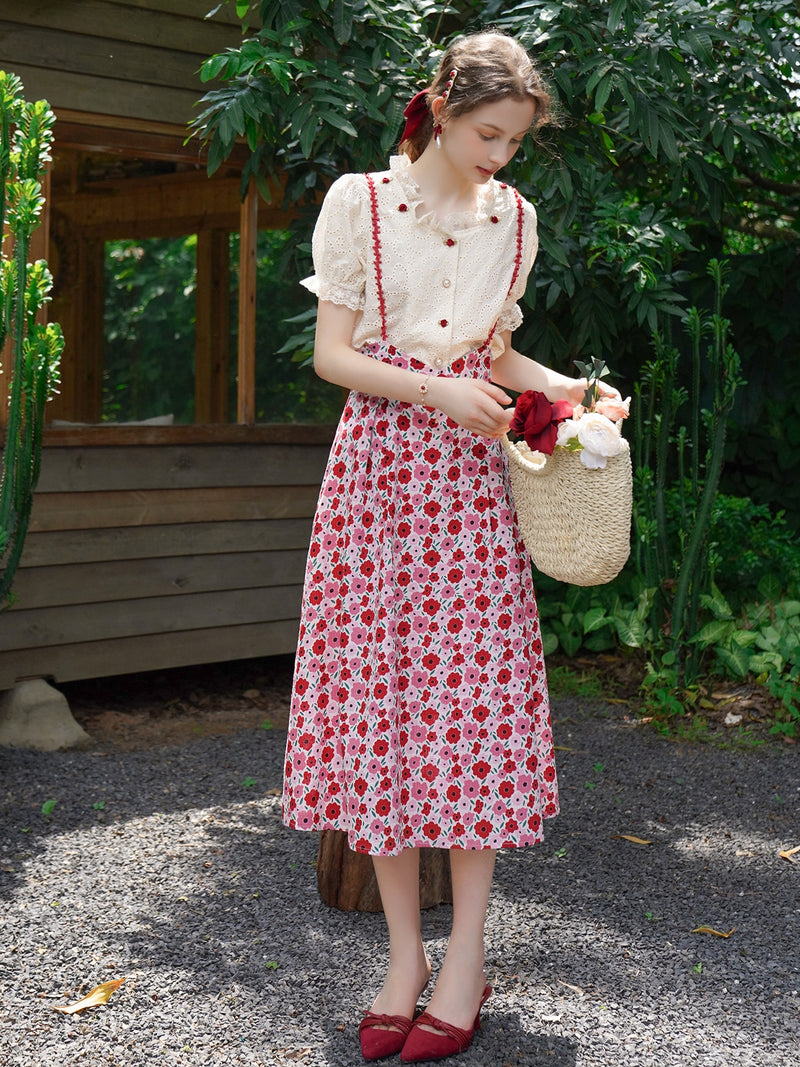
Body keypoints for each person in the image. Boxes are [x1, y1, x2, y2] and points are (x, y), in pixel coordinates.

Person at [282, 30, 617, 1064]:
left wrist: (566, 392)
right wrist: (436, 392)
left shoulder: (511, 219)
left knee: (464, 715)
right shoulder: (359, 205)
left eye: (513, 142)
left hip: (471, 493)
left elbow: (495, 351)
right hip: (376, 482)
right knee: (381, 712)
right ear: (440, 106)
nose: (498, 158)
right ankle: (400, 956)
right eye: (486, 134)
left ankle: (464, 955)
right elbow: (335, 356)